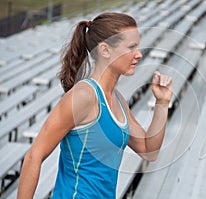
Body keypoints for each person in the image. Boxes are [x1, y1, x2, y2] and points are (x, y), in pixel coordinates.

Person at [17, 12, 172, 198]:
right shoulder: (83, 96)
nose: (139, 54)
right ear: (105, 50)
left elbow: (149, 151)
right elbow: (34, 156)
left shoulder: (117, 100)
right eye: (131, 47)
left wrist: (162, 103)